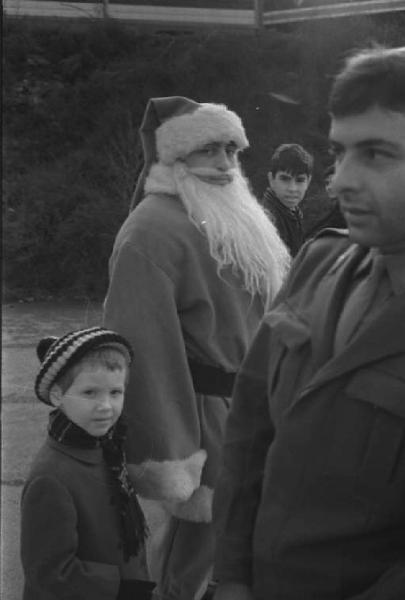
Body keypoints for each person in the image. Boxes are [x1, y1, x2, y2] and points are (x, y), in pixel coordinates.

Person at [213, 45, 405, 600]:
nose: (340, 181)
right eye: (339, 153)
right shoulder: (321, 260)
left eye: (376, 155)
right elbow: (249, 430)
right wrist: (230, 574)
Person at [103, 96, 290, 600]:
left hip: (256, 405)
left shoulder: (237, 219)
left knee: (239, 544)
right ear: (175, 158)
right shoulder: (151, 230)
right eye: (209, 150)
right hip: (206, 417)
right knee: (194, 553)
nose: (227, 165)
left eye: (232, 149)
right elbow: (142, 346)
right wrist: (171, 452)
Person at [20, 326, 155, 600]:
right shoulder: (51, 478)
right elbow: (49, 572)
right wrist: (122, 589)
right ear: (57, 395)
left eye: (115, 392)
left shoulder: (108, 449)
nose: (105, 405)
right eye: (90, 393)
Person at [262, 143, 313, 256]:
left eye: (299, 180)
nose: (292, 188)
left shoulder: (291, 212)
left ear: (308, 182)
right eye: (285, 179)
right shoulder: (269, 220)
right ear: (271, 180)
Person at [304, 164, 346, 239]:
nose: (329, 187)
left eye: (333, 182)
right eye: (327, 183)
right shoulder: (335, 211)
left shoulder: (348, 214)